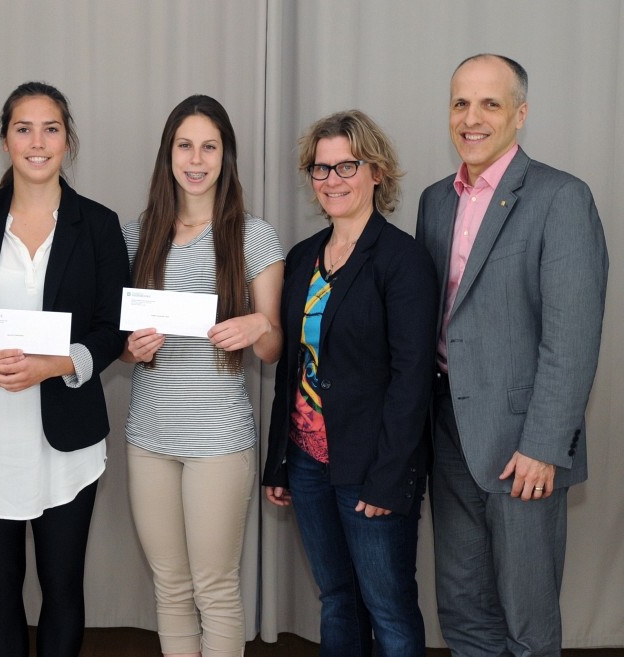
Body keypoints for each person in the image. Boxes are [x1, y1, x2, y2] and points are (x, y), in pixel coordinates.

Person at [416, 54, 608, 656]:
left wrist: (544, 446)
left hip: (522, 446)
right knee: (464, 605)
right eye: (460, 103)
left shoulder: (562, 198)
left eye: (489, 104)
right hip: (447, 431)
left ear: (520, 115)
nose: (471, 118)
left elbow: (572, 337)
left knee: (526, 618)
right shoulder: (434, 201)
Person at [0, 81, 129, 657]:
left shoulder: (98, 224)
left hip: (65, 439)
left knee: (62, 586)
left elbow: (112, 327)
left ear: (68, 141)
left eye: (51, 129)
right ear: (5, 140)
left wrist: (55, 365)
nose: (37, 141)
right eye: (23, 128)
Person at [262, 110, 437, 656]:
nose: (332, 180)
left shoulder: (403, 259)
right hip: (309, 461)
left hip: (371, 469)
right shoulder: (302, 257)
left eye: (347, 166)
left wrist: (389, 480)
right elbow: (290, 367)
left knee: (388, 609)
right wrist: (280, 460)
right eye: (320, 169)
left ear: (376, 172)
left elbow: (413, 378)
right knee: (336, 597)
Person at [122, 95, 283, 657]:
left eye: (208, 146)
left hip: (217, 441)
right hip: (148, 438)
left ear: (225, 156)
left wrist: (257, 323)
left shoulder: (253, 236)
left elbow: (273, 349)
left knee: (215, 587)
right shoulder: (138, 236)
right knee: (170, 585)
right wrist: (131, 349)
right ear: (168, 155)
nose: (196, 159)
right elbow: (123, 344)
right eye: (184, 145)